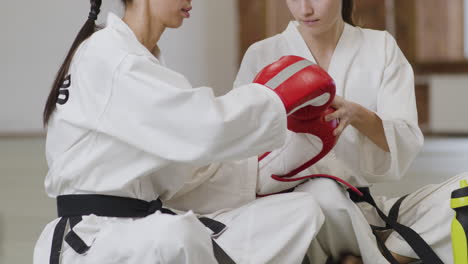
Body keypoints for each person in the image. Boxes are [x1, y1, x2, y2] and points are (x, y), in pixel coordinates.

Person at [33, 0, 331, 263]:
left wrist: (273, 164)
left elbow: (180, 177)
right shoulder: (112, 57)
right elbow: (205, 128)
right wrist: (275, 98)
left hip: (140, 229)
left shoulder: (138, 60)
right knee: (178, 236)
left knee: (300, 212)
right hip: (97, 241)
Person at [234, 0, 467, 263]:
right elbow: (242, 147)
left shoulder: (381, 46)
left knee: (464, 191)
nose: (305, 9)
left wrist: (358, 115)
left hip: (365, 207)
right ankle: (383, 254)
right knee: (321, 194)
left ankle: (375, 254)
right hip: (296, 209)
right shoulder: (262, 54)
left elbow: (405, 138)